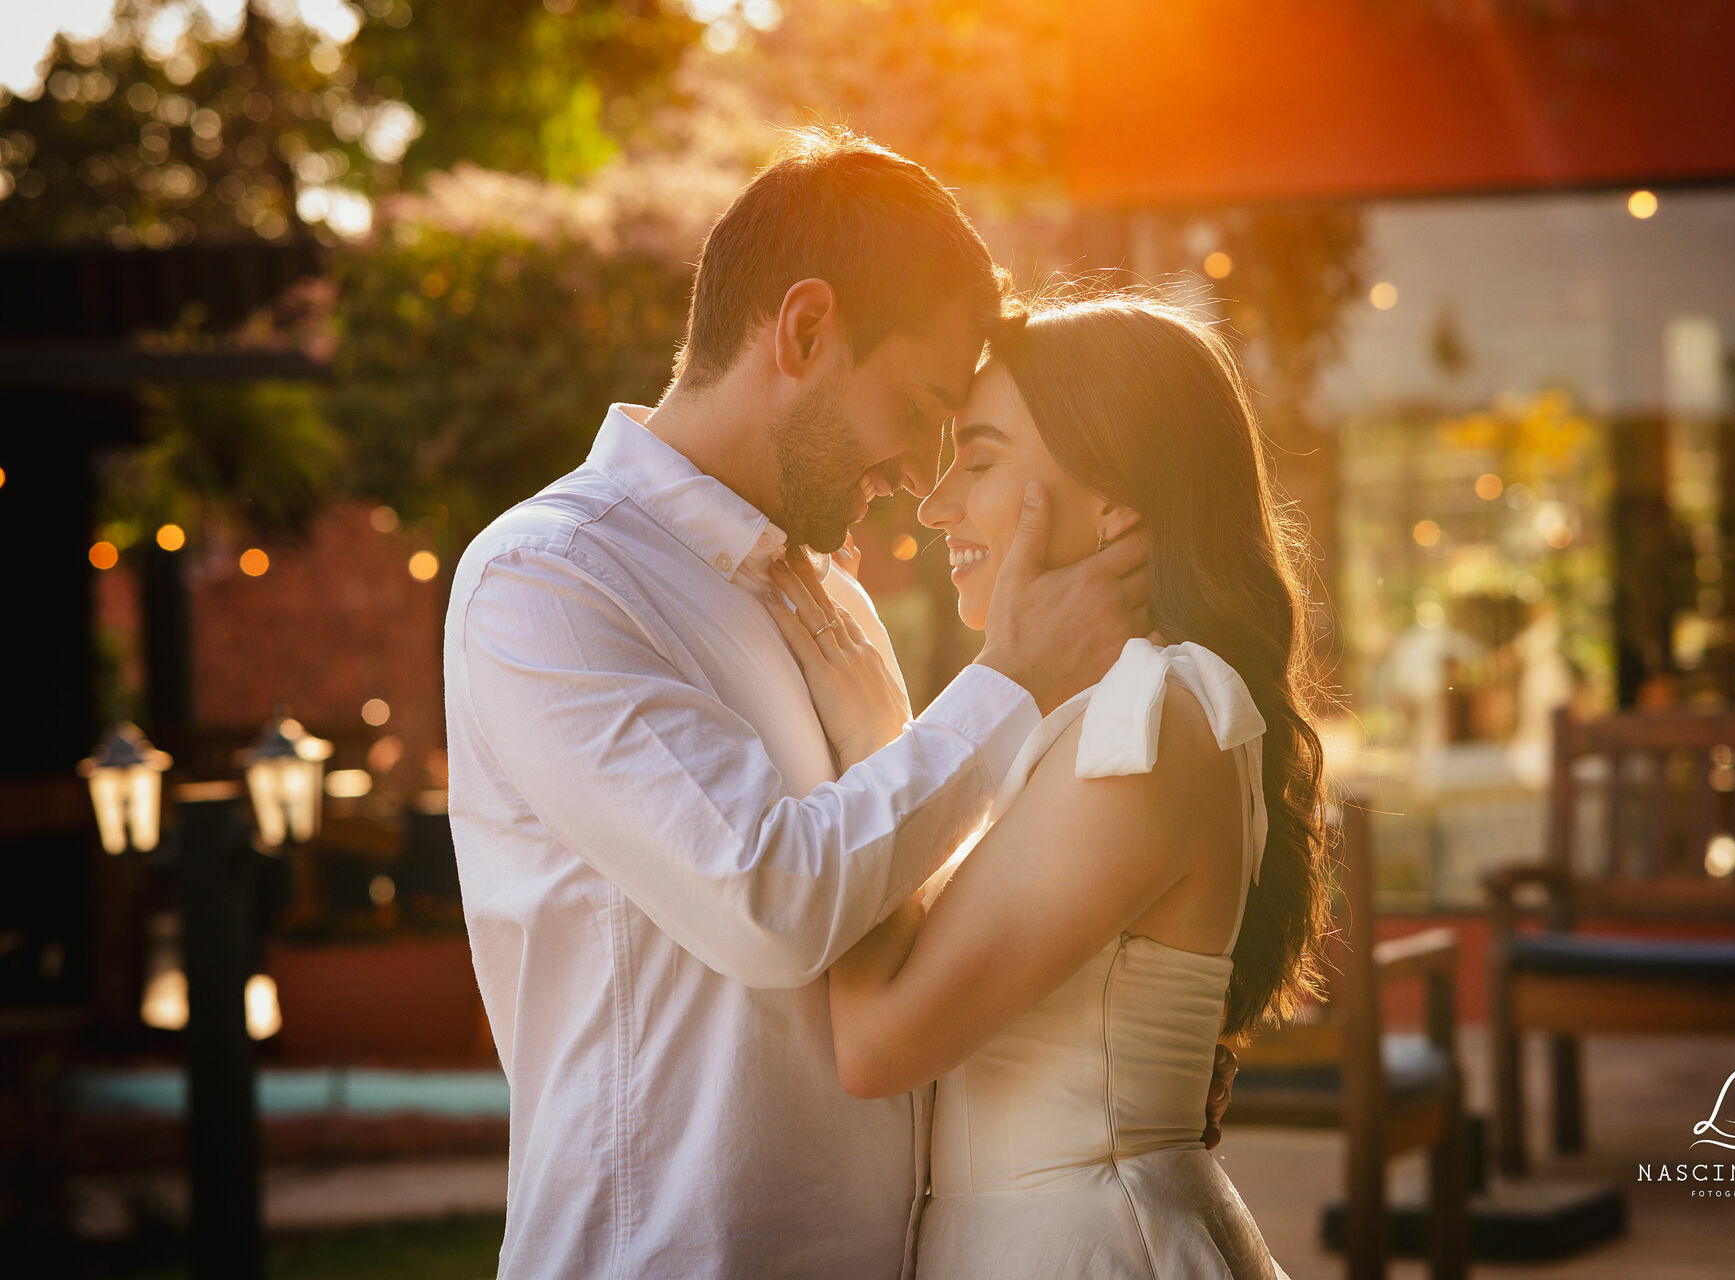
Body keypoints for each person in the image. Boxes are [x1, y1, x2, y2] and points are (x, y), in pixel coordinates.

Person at [444, 129, 1232, 1279]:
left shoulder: (836, 609)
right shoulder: (551, 581)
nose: (923, 475)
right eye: (918, 408)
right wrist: (1010, 679)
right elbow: (771, 899)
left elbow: (896, 910)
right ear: (806, 330)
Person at [767, 292, 1334, 1278]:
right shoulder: (1117, 713)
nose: (936, 503)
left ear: (1117, 500)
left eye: (979, 460)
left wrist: (869, 739)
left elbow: (875, 1043)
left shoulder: (1151, 721)